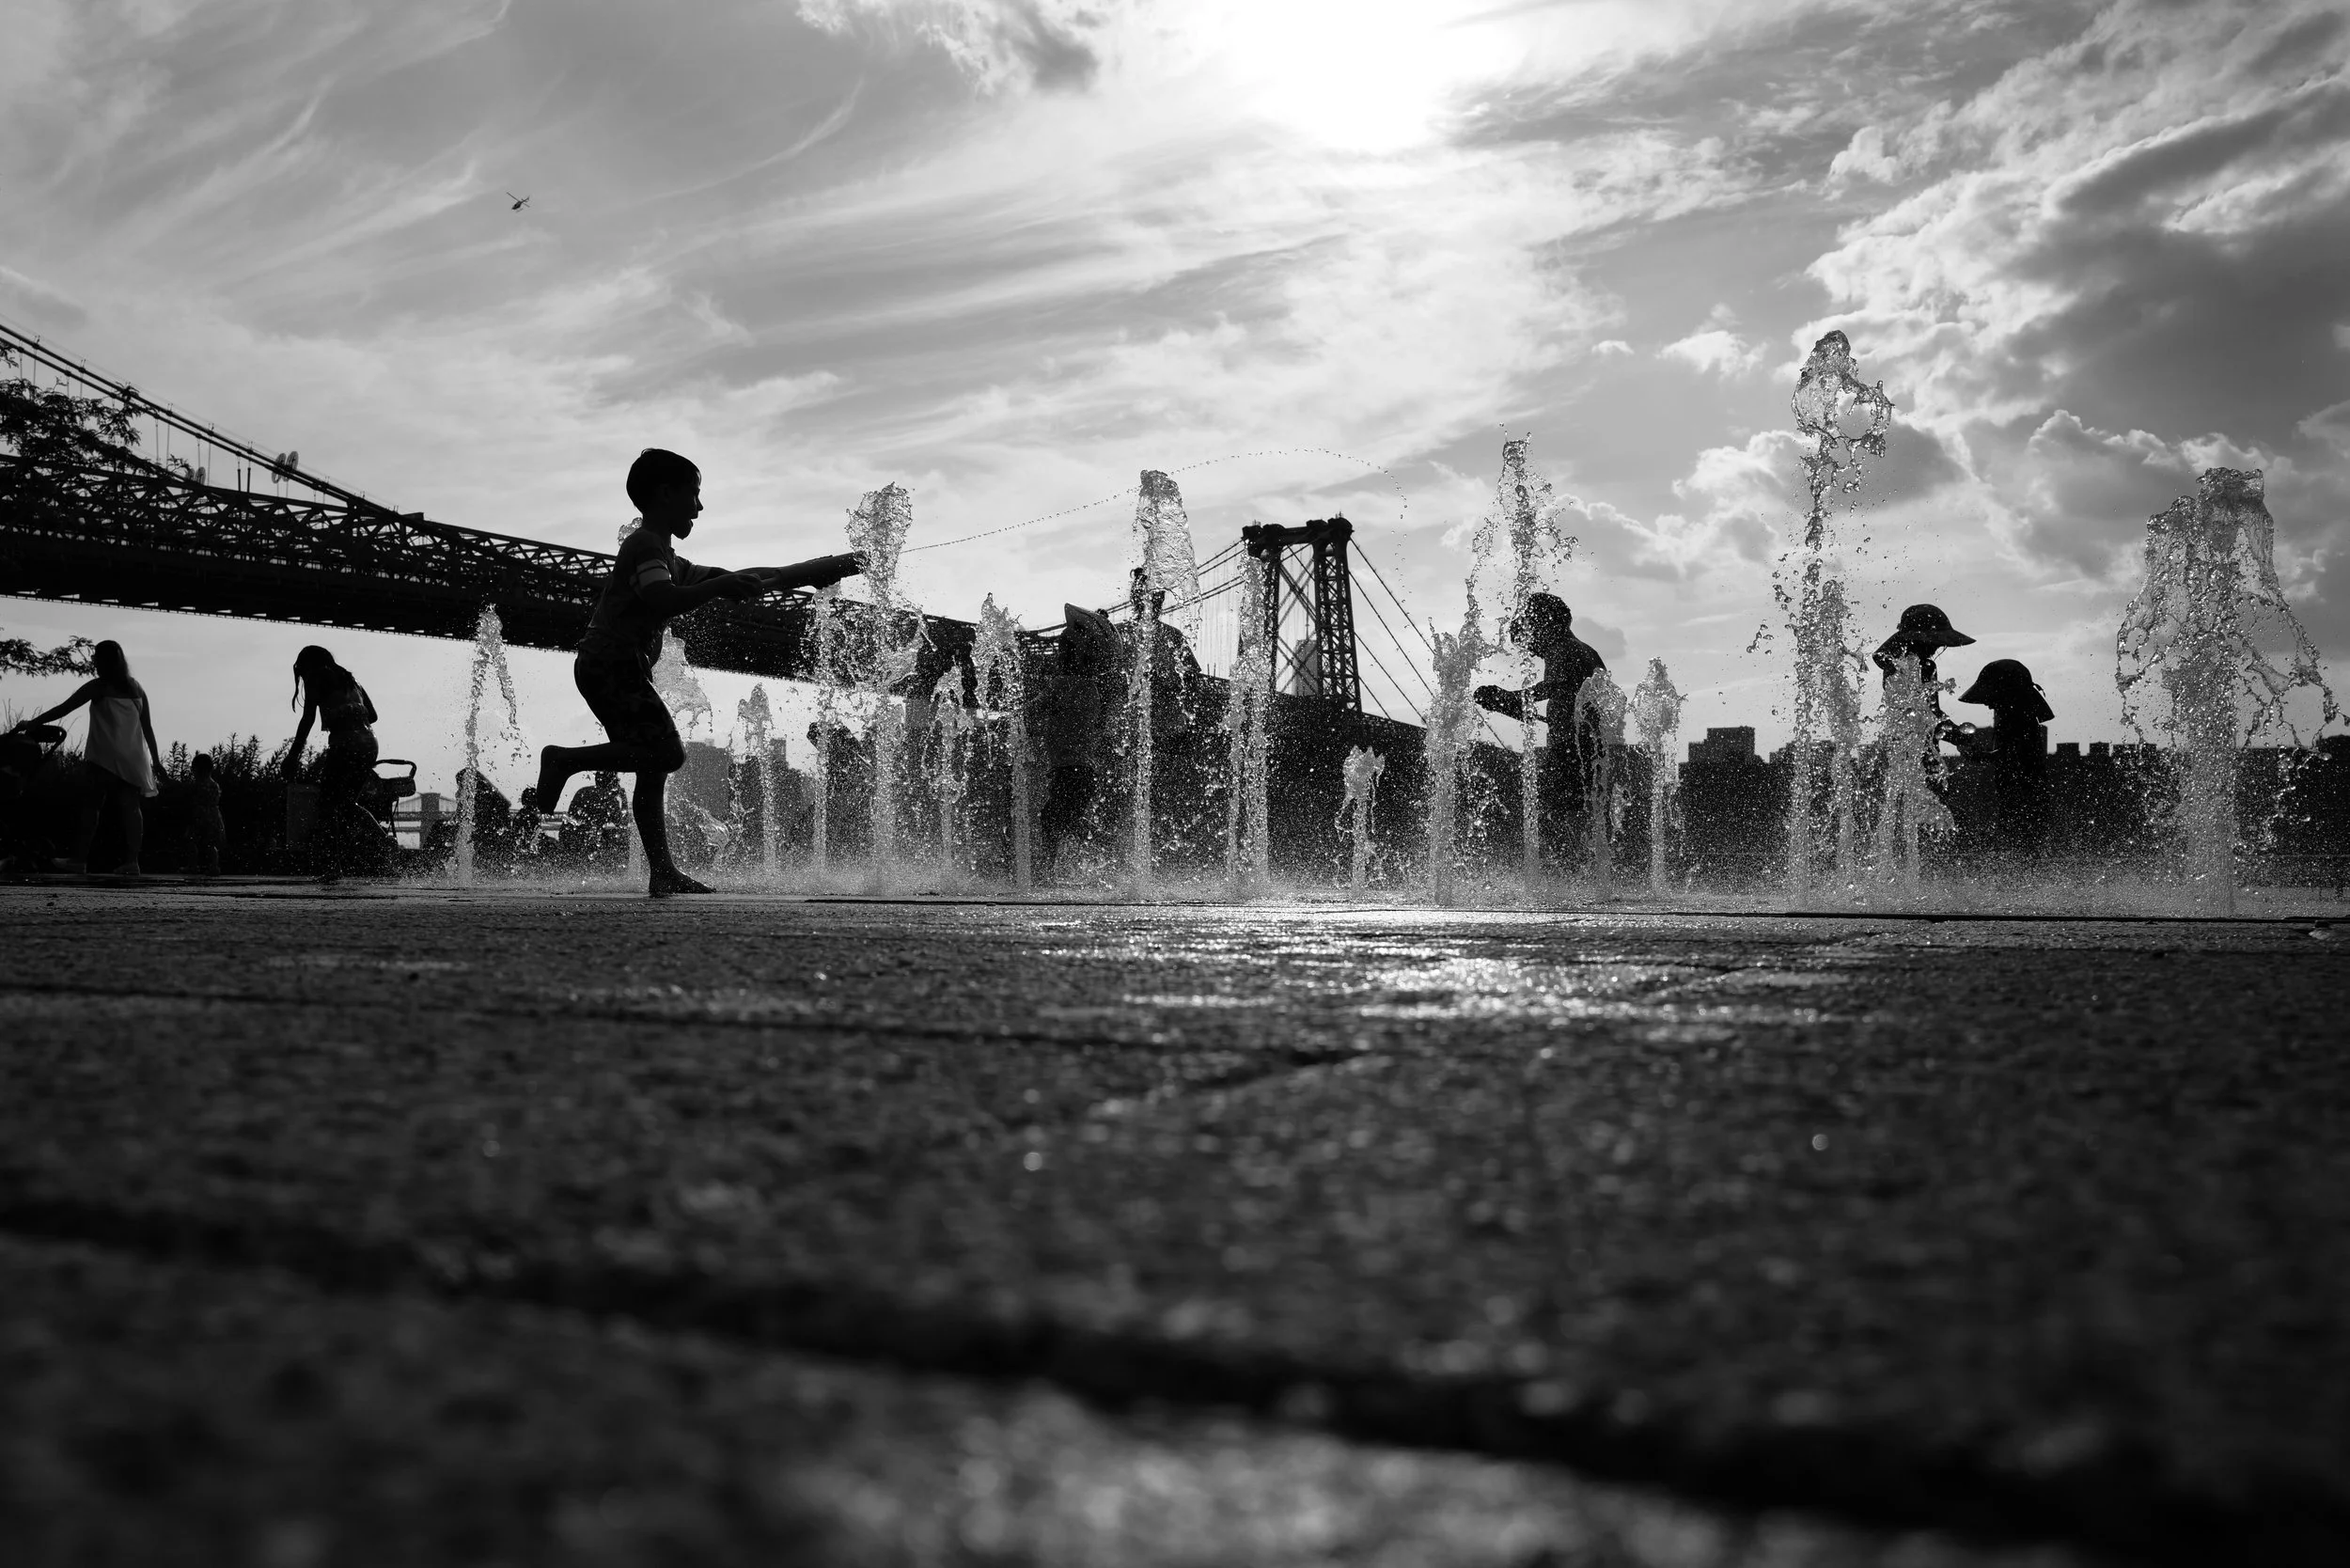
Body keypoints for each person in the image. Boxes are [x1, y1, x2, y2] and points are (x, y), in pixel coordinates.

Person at [525, 447, 860, 897]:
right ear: (666, 494)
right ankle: (565, 760)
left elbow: (750, 577)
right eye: (694, 495)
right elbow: (661, 599)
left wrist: (814, 571)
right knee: (668, 753)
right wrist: (720, 586)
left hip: (611, 666)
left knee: (651, 766)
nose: (700, 508)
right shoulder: (644, 546)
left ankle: (662, 871)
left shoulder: (669, 558)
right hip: (611, 664)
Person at [12, 638, 164, 875]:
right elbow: (148, 728)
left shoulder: (99, 687)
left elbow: (64, 708)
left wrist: (32, 723)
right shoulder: (136, 688)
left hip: (104, 755)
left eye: (95, 658)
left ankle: (79, 859)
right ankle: (132, 862)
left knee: (92, 806)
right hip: (133, 757)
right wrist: (156, 761)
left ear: (103, 661)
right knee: (131, 808)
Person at [1473, 591, 1608, 845]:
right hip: (1589, 747)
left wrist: (1507, 697)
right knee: (1582, 814)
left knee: (1552, 814)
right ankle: (1587, 868)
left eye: (1532, 642)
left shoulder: (1560, 648)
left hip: (1568, 749)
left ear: (1544, 624)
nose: (1535, 652)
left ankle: (1564, 872)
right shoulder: (1589, 651)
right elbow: (1569, 700)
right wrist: (1511, 706)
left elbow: (1552, 687)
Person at [1036, 604, 1120, 877]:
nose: (1055, 654)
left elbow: (1032, 711)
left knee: (1053, 820)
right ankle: (1057, 867)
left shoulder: (1064, 686)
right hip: (1080, 774)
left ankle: (1104, 846)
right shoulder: (1091, 689)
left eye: (1061, 648)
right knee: (1058, 821)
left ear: (1075, 656)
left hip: (1070, 773)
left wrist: (1005, 721)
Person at [284, 645, 381, 881]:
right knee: (347, 804)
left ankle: (333, 867)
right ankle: (383, 841)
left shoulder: (316, 677)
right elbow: (373, 715)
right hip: (369, 744)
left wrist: (293, 756)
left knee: (327, 805)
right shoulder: (351, 679)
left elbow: (308, 719)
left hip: (345, 744)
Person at [1952, 658, 2055, 860]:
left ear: (2006, 694)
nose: (1988, 704)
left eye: (1991, 697)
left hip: (2025, 799)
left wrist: (1980, 756)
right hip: (2017, 797)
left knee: (2022, 854)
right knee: (2020, 855)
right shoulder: (2012, 714)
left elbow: (2014, 754)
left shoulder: (2019, 717)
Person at [1871, 604, 1976, 745]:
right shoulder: (1922, 667)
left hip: (1901, 746)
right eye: (1934, 641)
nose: (1937, 646)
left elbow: (1930, 713)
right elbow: (1927, 717)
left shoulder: (1893, 667)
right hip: (1919, 750)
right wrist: (1959, 737)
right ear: (1915, 640)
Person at [186, 750, 225, 875]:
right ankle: (214, 866)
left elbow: (193, 798)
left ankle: (193, 866)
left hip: (200, 816)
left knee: (191, 841)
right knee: (210, 844)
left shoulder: (199, 784)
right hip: (214, 816)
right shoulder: (214, 784)